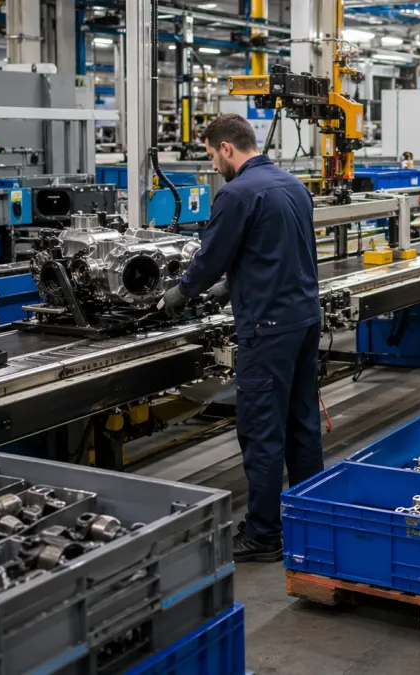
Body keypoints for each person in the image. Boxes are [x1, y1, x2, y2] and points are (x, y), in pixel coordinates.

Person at [158, 113, 323, 563]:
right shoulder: (293, 185)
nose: (212, 165)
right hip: (306, 319)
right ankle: (312, 517)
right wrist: (227, 288)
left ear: (227, 148)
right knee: (302, 424)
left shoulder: (236, 193)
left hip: (267, 329)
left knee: (262, 432)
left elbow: (211, 258)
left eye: (212, 155)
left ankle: (264, 534)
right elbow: (276, 252)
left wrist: (179, 294)